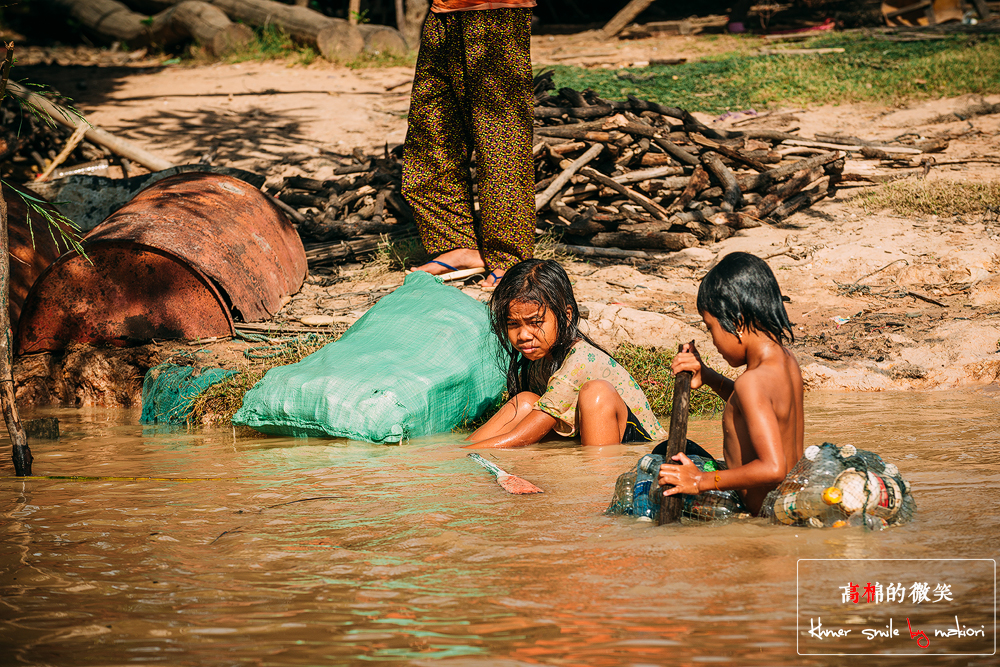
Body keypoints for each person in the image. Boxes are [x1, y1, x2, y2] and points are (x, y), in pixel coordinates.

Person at [400, 0, 536, 289]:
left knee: (501, 137)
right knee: (432, 128)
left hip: (496, 10)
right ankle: (456, 244)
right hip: (444, 10)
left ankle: (508, 258)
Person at [658, 251, 804, 516]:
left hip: (762, 517)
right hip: (786, 505)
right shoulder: (786, 361)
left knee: (656, 464)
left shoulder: (752, 382)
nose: (713, 340)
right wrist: (709, 377)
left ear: (736, 322)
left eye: (710, 327)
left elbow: (773, 468)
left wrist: (699, 481)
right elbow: (754, 409)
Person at [464, 259, 665, 449]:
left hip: (639, 450)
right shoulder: (538, 361)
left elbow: (529, 432)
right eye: (513, 324)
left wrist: (467, 453)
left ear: (566, 316)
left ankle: (600, 479)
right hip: (588, 440)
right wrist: (455, 454)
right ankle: (462, 451)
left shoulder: (580, 360)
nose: (523, 335)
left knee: (596, 393)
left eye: (535, 322)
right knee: (524, 402)